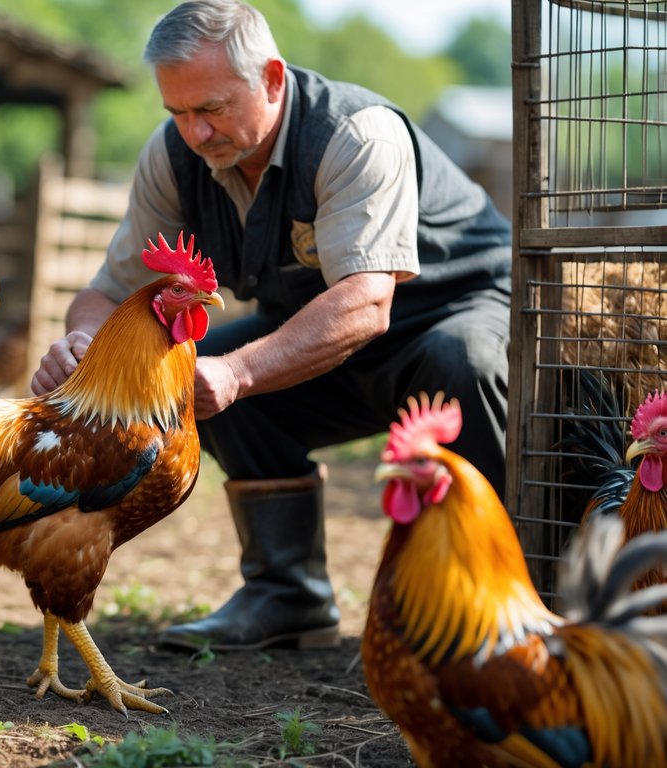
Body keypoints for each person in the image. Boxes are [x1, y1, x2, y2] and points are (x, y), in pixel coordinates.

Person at [30, 0, 511, 653]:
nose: (194, 133)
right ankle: (287, 593)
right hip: (318, 339)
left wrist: (237, 372)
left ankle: (504, 601)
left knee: (465, 360)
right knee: (194, 375)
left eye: (212, 109)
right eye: (178, 113)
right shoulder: (173, 156)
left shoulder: (355, 133)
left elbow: (368, 301)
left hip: (454, 313)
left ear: (273, 80)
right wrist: (83, 343)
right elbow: (108, 289)